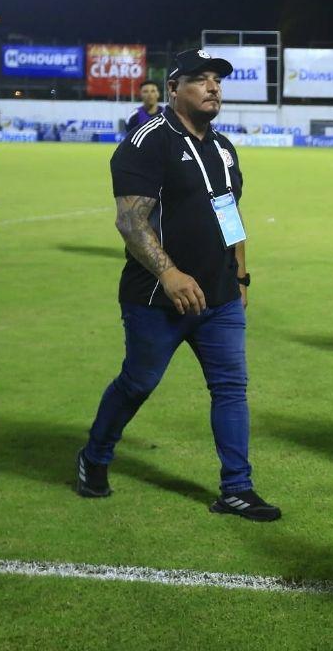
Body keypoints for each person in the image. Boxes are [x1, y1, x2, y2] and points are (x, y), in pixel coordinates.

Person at [75, 48, 280, 522]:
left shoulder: (223, 148)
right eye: (200, 79)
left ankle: (237, 488)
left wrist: (241, 275)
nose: (213, 87)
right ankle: (95, 456)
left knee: (231, 388)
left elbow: (229, 214)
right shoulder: (147, 142)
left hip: (220, 298)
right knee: (138, 383)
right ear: (173, 89)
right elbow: (131, 221)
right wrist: (168, 274)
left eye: (218, 80)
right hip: (156, 300)